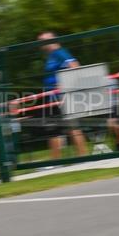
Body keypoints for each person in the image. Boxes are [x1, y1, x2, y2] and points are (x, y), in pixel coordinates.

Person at [39, 31, 88, 159]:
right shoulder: (51, 56)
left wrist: (65, 85)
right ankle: (55, 161)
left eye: (44, 40)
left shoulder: (60, 52)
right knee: (54, 130)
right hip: (53, 98)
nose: (41, 43)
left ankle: (83, 156)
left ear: (53, 39)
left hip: (63, 96)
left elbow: (75, 66)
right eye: (40, 41)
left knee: (72, 127)